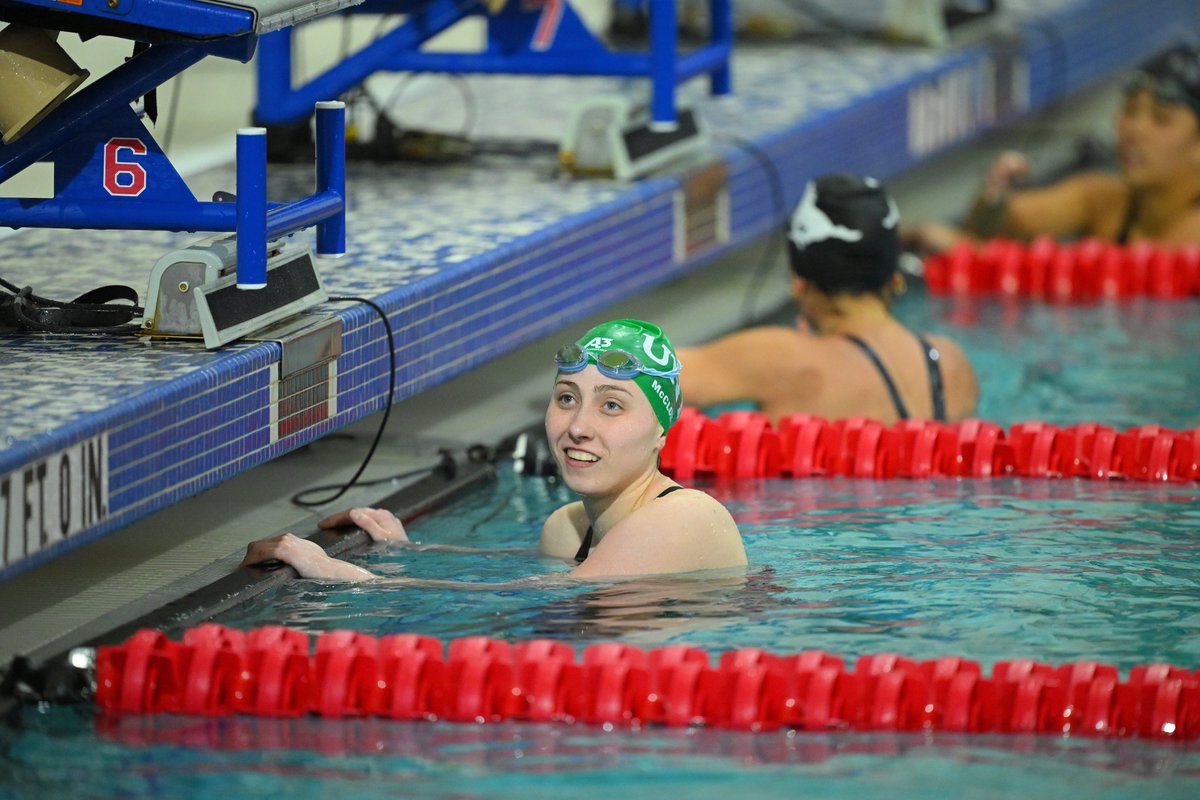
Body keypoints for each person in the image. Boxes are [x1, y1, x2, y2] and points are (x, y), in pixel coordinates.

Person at [242, 319, 747, 582]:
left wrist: (346, 575)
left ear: (661, 431)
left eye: (612, 406)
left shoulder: (682, 517)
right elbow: (514, 574)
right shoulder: (567, 530)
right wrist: (405, 552)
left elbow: (530, 594)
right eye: (566, 399)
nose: (578, 427)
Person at [675, 172, 979, 425]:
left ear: (799, 282)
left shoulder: (785, 359)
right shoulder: (952, 365)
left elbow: (646, 370)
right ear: (895, 277)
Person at [905, 43, 1200, 252]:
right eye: (1129, 111)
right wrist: (994, 198)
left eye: (1161, 120)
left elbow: (1132, 280)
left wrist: (969, 252)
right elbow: (1002, 224)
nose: (1134, 130)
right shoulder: (1104, 200)